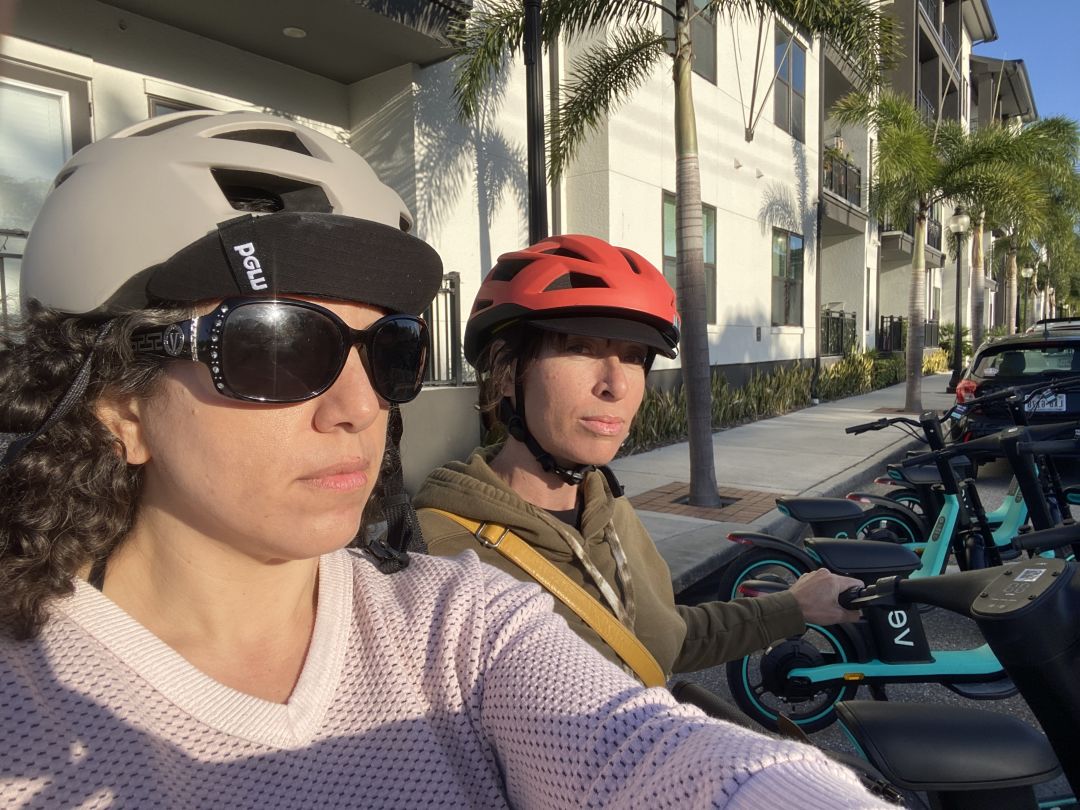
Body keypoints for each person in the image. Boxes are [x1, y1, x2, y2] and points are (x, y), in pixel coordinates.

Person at [0, 110, 890, 809]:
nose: (359, 409)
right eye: (277, 348)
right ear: (118, 401)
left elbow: (637, 743)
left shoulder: (455, 623)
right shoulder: (26, 712)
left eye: (387, 352)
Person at [415, 235, 862, 680]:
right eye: (580, 348)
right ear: (508, 370)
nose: (617, 385)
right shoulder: (441, 553)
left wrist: (793, 607)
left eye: (632, 357)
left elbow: (663, 643)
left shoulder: (607, 510)